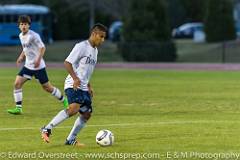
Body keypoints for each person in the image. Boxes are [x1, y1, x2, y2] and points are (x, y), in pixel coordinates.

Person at [41, 23, 107, 146]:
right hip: (73, 84)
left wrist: (89, 86)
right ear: (94, 34)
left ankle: (71, 139)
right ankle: (47, 128)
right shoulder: (81, 46)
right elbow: (67, 63)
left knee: (86, 114)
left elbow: (86, 70)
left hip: (83, 87)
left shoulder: (95, 51)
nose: (103, 40)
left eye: (104, 37)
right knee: (73, 109)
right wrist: (75, 79)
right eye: (101, 36)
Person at [7, 15, 68, 115]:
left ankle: (64, 100)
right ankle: (18, 108)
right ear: (18, 26)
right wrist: (21, 56)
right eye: (21, 24)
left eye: (25, 24)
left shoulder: (34, 35)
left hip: (38, 67)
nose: (23, 26)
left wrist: (38, 60)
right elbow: (25, 48)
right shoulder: (20, 36)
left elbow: (42, 48)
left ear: (29, 25)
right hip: (28, 66)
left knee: (47, 88)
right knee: (17, 84)